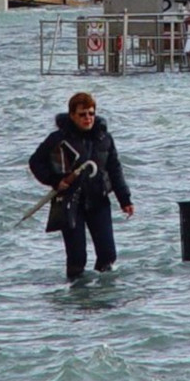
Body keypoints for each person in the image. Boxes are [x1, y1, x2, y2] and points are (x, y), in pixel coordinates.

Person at [28, 91, 134, 282]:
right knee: (77, 258)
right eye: (83, 114)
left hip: (99, 201)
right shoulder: (58, 138)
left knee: (108, 254)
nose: (88, 118)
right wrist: (53, 180)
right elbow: (35, 162)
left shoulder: (105, 138)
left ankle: (103, 296)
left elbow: (115, 169)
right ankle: (77, 299)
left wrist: (125, 199)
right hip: (70, 203)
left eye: (91, 114)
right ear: (72, 116)